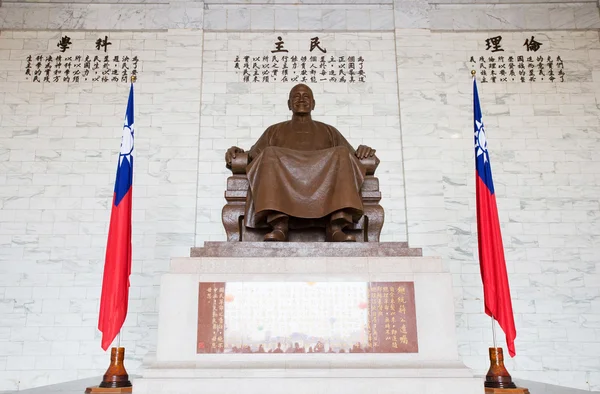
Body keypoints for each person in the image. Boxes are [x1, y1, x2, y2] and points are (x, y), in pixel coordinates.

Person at [225, 84, 376, 242]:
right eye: (296, 97)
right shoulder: (274, 131)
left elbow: (353, 158)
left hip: (324, 180)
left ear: (314, 103)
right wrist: (237, 153)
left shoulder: (329, 131)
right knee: (269, 153)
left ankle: (335, 226)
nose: (301, 100)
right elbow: (253, 157)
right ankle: (279, 225)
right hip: (283, 179)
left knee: (342, 153)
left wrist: (364, 151)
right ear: (289, 104)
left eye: (306, 96)